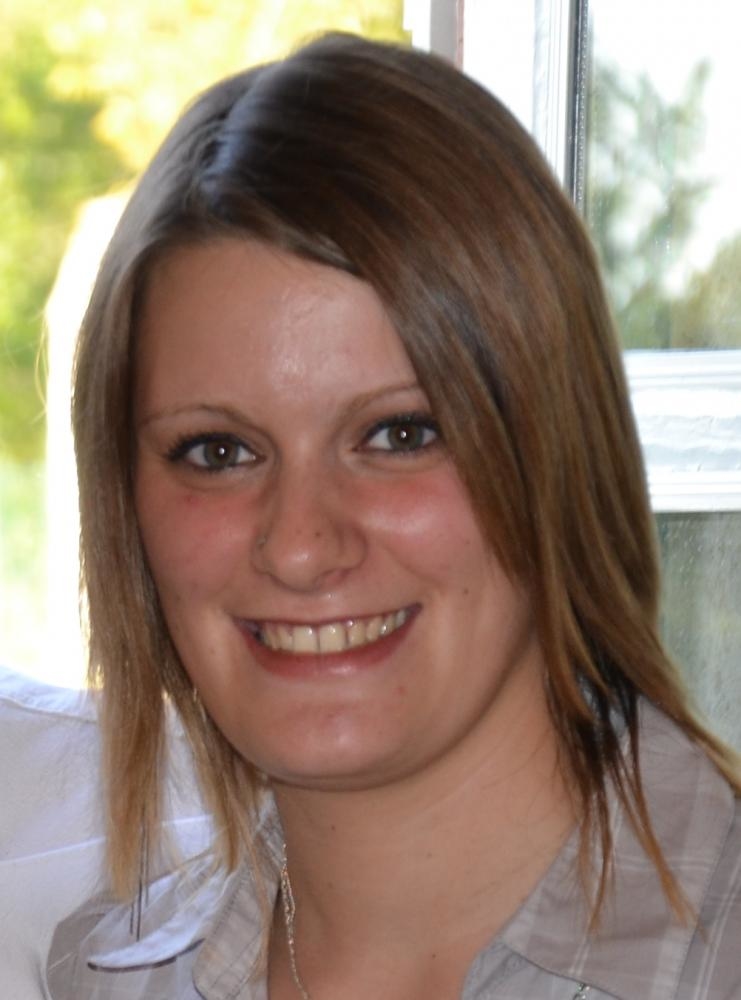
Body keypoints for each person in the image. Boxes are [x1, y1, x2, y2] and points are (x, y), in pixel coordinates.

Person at [45, 32, 740, 1000]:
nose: (299, 546)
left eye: (400, 434)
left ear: (555, 451)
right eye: (218, 451)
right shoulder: (103, 977)